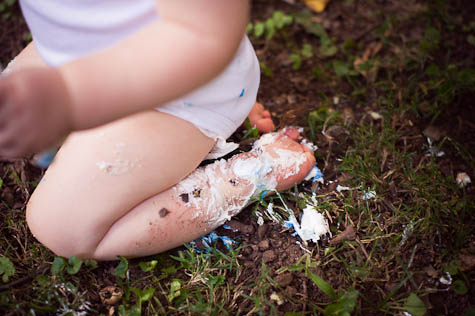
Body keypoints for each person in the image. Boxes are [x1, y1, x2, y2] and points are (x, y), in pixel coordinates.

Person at [0, 0, 315, 260]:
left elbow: (210, 29)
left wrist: (70, 97)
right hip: (80, 50)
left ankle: (250, 174)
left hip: (183, 92)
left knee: (62, 228)